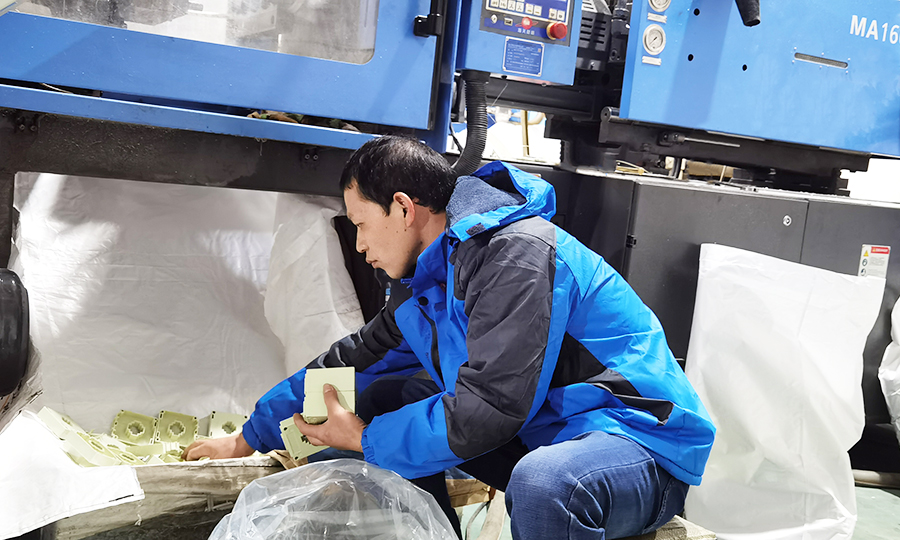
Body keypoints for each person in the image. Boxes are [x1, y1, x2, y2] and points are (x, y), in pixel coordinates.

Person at [183, 136, 716, 540]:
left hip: (636, 445)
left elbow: (491, 408)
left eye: (360, 223)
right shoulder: (426, 284)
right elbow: (348, 363)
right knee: (382, 397)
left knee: (546, 483)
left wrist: (364, 440)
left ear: (403, 208)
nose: (360, 245)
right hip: (547, 432)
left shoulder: (517, 256)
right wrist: (247, 439)